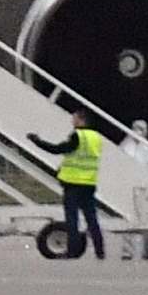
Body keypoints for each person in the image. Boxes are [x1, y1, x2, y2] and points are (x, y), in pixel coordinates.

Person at [28, 109, 105, 260]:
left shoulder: (78, 136)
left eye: (74, 118)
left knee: (72, 220)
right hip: (89, 183)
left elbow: (57, 149)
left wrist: (37, 141)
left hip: (73, 184)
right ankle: (99, 251)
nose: (72, 121)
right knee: (92, 219)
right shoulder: (96, 137)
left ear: (81, 120)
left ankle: (72, 251)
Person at [120, 119, 148, 260]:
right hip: (129, 186)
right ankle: (127, 251)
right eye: (135, 128)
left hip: (147, 188)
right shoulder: (125, 147)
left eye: (141, 129)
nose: (138, 131)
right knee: (128, 220)